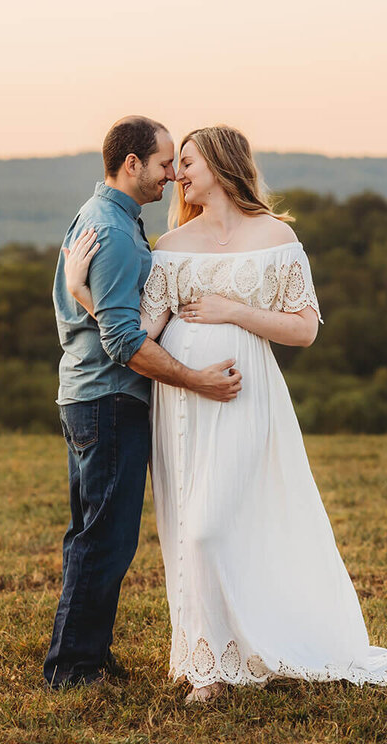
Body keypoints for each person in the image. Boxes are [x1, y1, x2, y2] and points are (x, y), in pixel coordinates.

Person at [64, 124, 387, 703]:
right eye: (174, 164)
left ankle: (262, 637)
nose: (178, 175)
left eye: (187, 162)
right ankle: (209, 667)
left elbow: (304, 328)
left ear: (221, 164)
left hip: (248, 396)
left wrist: (233, 310)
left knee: (221, 525)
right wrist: (83, 293)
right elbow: (137, 334)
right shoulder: (169, 248)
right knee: (193, 529)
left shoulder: (278, 238)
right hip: (183, 407)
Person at [45, 116, 243, 689]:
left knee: (94, 533)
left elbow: (94, 312)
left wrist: (82, 293)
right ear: (131, 164)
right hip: (109, 400)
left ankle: (87, 654)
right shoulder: (111, 231)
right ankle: (73, 668)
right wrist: (196, 380)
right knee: (105, 538)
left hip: (89, 397)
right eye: (162, 165)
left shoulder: (106, 219)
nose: (170, 177)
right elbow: (125, 342)